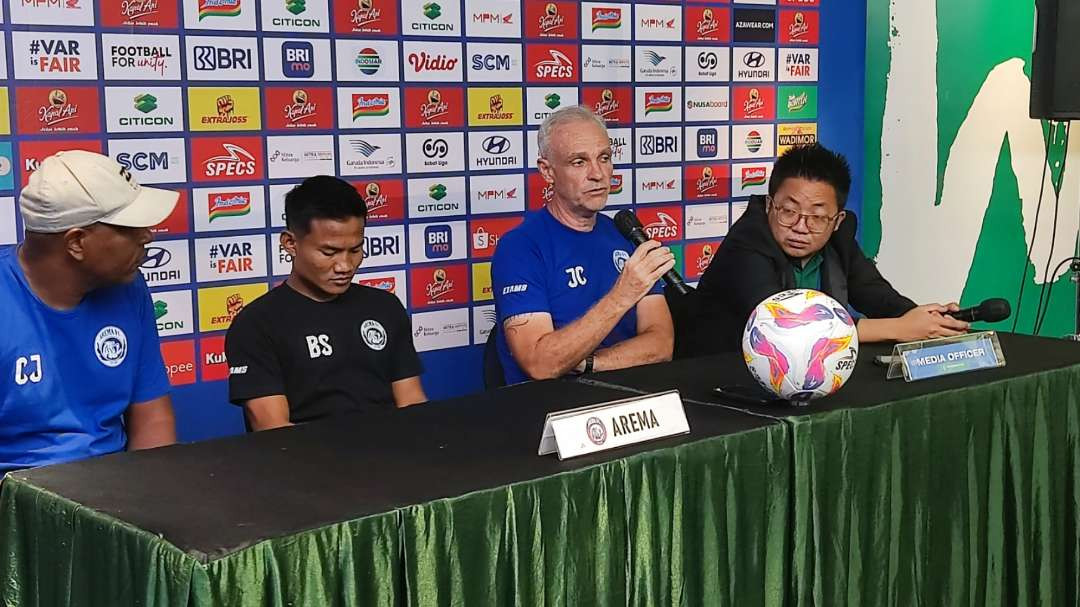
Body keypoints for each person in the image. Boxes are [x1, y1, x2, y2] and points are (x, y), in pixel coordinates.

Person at [689, 143, 969, 355]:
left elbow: (879, 297)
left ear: (837, 220)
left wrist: (929, 321)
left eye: (818, 216)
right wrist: (900, 328)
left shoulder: (839, 240)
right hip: (720, 376)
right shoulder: (746, 243)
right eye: (788, 211)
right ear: (768, 205)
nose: (800, 226)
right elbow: (787, 326)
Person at [0, 150, 178, 473]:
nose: (147, 235)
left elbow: (153, 417)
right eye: (129, 227)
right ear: (77, 243)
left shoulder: (130, 288)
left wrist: (150, 500)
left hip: (113, 494)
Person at [491, 106, 676, 383]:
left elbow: (661, 345)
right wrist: (622, 295)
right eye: (579, 162)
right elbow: (541, 364)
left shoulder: (625, 236)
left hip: (628, 406)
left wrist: (590, 363)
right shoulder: (519, 248)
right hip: (548, 412)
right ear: (547, 172)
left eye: (604, 158)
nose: (598, 174)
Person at [226, 176, 426, 431]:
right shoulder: (256, 324)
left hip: (396, 460)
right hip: (306, 464)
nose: (344, 266)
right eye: (329, 252)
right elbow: (273, 430)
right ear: (290, 243)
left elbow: (412, 402)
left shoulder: (385, 306)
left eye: (355, 250)